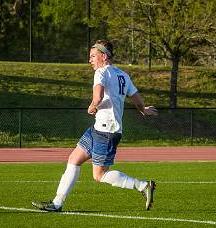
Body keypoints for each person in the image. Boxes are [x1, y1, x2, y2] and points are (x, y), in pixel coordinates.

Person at [32, 40, 158, 212]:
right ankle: (56, 203)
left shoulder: (101, 72)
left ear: (104, 56)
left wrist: (92, 107)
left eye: (93, 56)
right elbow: (135, 98)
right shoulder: (123, 75)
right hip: (99, 128)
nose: (90, 60)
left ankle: (143, 186)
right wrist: (144, 110)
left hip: (106, 131)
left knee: (99, 175)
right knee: (73, 159)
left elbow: (97, 98)